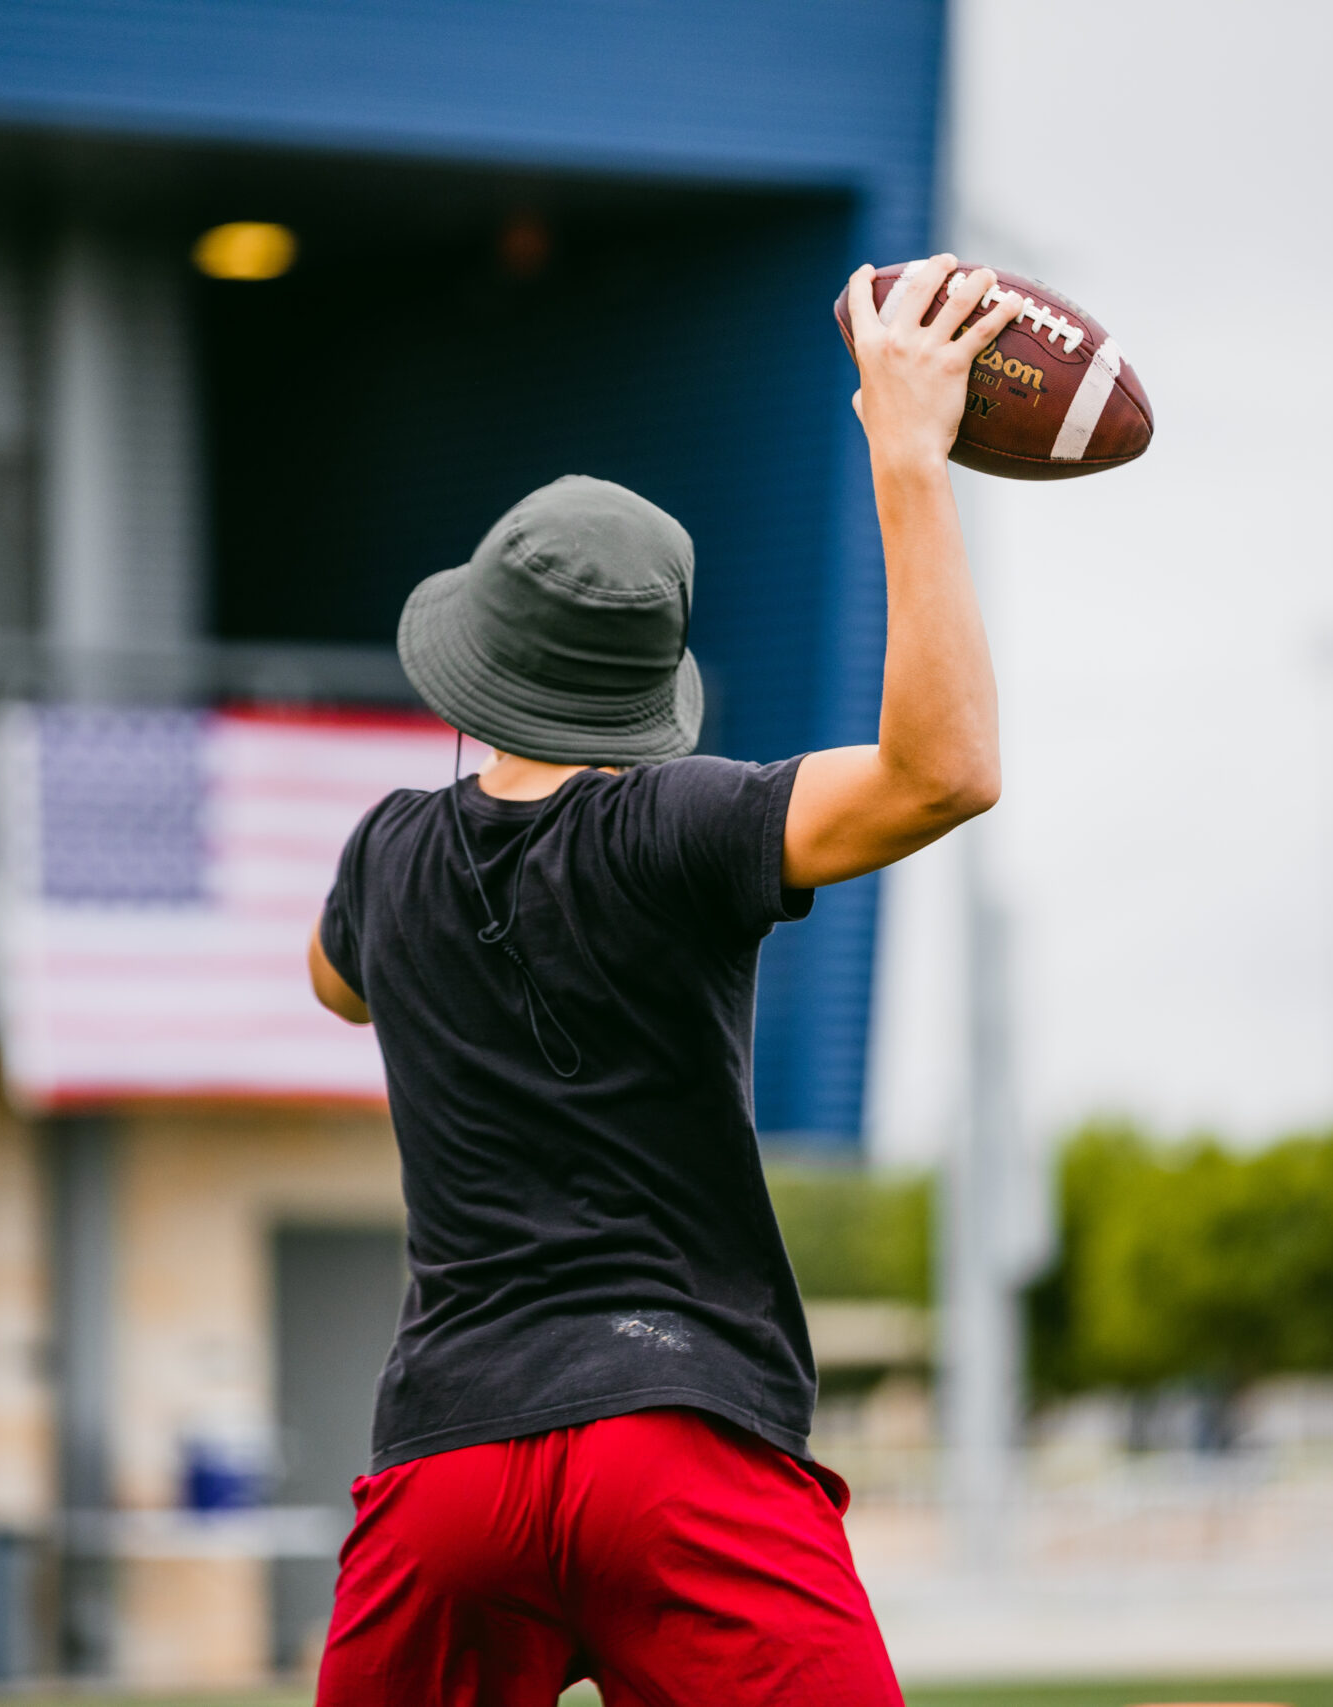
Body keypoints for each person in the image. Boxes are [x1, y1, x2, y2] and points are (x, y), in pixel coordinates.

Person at [305, 256, 1019, 1705]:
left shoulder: (384, 859)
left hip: (445, 1477)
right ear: (644, 686)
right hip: (676, 1453)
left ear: (471, 665)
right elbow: (945, 773)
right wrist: (908, 460)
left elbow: (334, 986)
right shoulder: (681, 826)